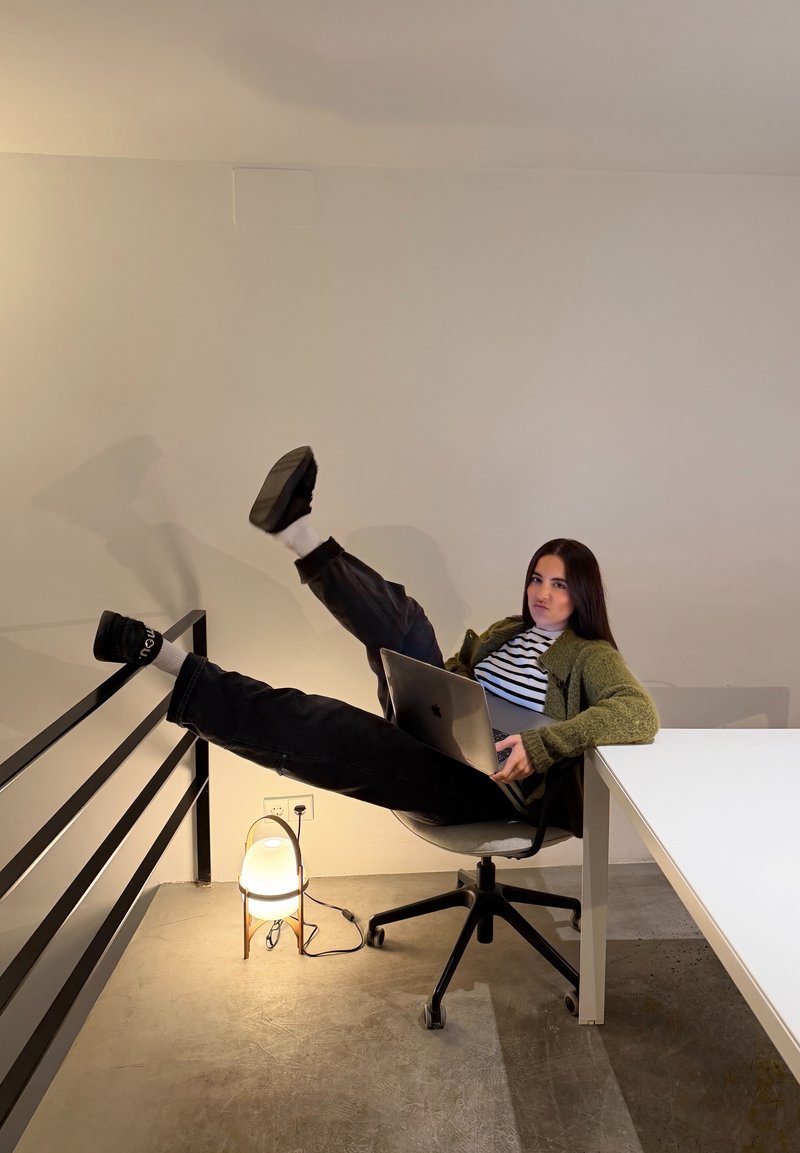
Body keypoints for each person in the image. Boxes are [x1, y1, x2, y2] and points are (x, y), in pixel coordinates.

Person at [93, 447, 658, 833]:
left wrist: (539, 748)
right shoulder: (507, 633)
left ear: (582, 593)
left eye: (558, 584)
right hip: (441, 737)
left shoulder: (590, 654)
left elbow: (638, 715)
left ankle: (162, 656)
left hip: (490, 789)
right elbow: (457, 677)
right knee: (407, 622)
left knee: (329, 725)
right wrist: (444, 684)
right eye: (537, 578)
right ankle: (296, 531)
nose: (541, 592)